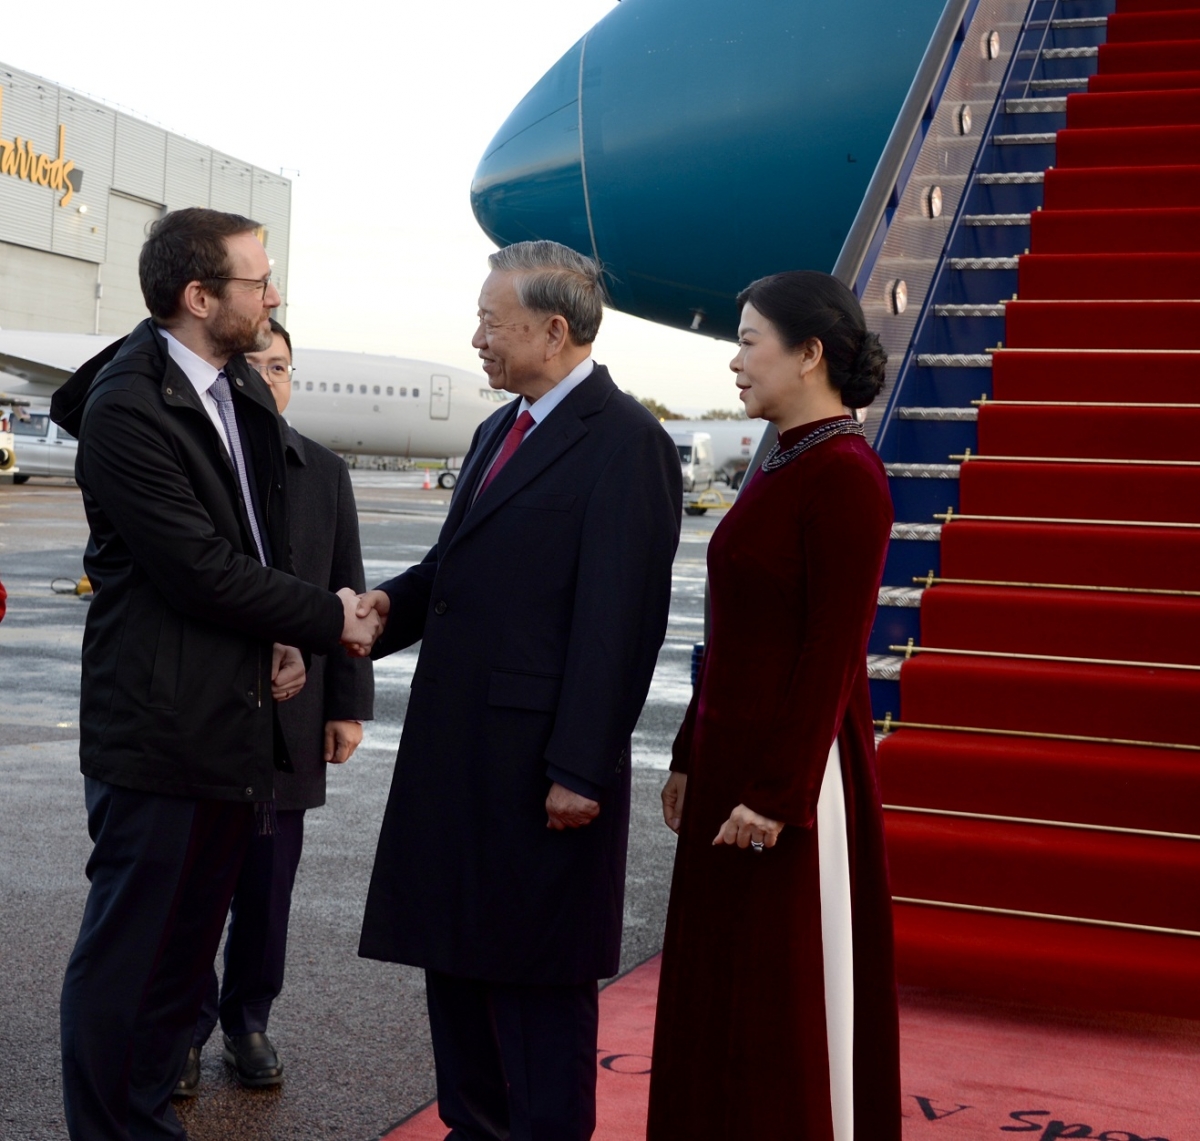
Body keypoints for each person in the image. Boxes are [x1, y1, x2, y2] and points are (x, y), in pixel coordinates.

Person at [51, 207, 382, 1141]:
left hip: (226, 727)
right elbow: (197, 565)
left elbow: (257, 540)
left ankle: (148, 1119)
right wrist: (326, 619)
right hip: (159, 732)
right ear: (200, 298)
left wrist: (280, 635)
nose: (272, 295)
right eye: (256, 280)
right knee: (132, 964)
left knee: (181, 964)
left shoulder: (228, 390)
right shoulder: (127, 406)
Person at [355, 239, 682, 1140]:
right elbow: (454, 570)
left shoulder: (627, 443)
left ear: (553, 328)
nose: (476, 340)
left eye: (490, 325)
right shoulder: (499, 429)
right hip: (458, 758)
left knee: (537, 993)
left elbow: (620, 626)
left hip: (542, 773)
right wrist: (386, 608)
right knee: (457, 973)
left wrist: (581, 766)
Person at [647, 270, 899, 1141]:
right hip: (729, 768)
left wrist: (779, 796)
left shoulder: (844, 474)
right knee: (722, 993)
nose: (735, 360)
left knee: (778, 1000)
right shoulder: (785, 455)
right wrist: (687, 751)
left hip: (786, 784)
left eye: (750, 339)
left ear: (811, 353)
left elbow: (832, 653)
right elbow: (733, 630)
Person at [175, 319, 375, 1095]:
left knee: (267, 886)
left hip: (292, 720)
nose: (269, 377)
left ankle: (248, 1019)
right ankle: (183, 1029)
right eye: (255, 364)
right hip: (209, 713)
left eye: (282, 366)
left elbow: (347, 586)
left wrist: (348, 705)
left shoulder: (323, 472)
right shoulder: (197, 463)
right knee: (196, 885)